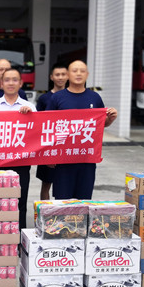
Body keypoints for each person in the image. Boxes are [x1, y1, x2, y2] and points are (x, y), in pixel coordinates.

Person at [46, 60, 118, 200]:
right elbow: (47, 126)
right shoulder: (57, 98)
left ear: (87, 74)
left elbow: (100, 124)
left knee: (84, 200)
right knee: (62, 202)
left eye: (82, 71)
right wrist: (49, 155)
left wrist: (111, 118)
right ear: (68, 75)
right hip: (63, 158)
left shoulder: (94, 97)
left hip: (87, 158)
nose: (78, 74)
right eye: (74, 71)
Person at [0, 68, 37, 229]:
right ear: (1, 83)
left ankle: (18, 237)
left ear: (21, 83)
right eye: (7, 80)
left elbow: (36, 135)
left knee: (19, 202)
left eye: (15, 80)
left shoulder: (30, 107)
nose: (11, 83)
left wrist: (31, 117)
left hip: (21, 163)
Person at [35, 62, 68, 200]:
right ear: (51, 77)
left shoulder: (72, 96)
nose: (60, 77)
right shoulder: (44, 99)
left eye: (63, 74)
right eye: (57, 74)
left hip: (67, 147)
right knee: (46, 185)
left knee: (65, 186)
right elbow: (38, 123)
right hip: (49, 147)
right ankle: (45, 212)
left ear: (68, 76)